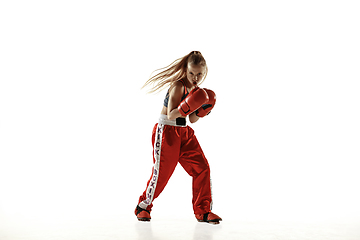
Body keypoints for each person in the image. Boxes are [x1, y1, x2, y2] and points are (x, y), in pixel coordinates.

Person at [135, 51, 222, 224]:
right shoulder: (178, 86)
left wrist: (204, 110)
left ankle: (203, 211)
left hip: (184, 132)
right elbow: (171, 114)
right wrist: (189, 105)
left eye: (199, 74)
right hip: (167, 131)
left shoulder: (198, 90)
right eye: (191, 73)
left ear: (204, 72)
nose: (195, 77)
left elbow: (192, 119)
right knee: (162, 175)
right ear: (185, 69)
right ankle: (143, 207)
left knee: (202, 168)